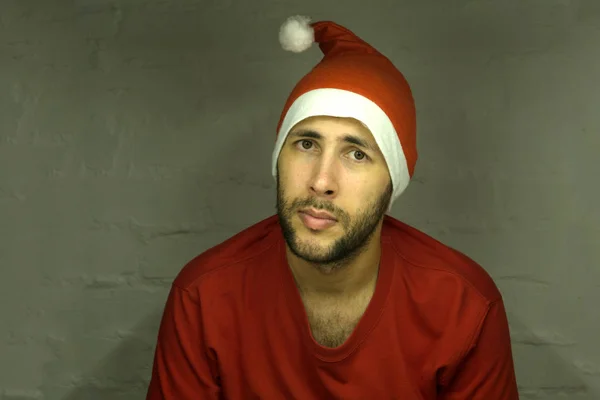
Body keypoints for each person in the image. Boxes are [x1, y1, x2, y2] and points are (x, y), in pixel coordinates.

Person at [145, 15, 519, 399]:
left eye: (356, 154)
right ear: (278, 159)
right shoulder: (204, 296)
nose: (322, 182)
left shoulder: (464, 305)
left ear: (393, 182)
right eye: (306, 144)